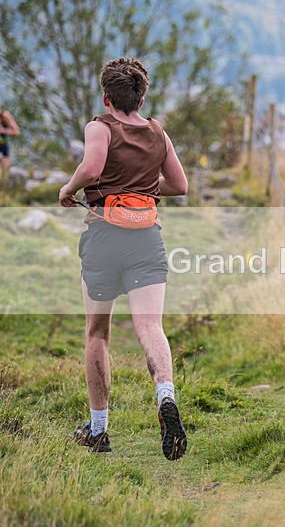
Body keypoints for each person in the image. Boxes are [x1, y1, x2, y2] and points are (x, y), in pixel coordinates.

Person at [58, 57, 189, 459]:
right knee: (150, 326)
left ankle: (98, 431)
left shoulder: (99, 127)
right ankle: (165, 396)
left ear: (106, 97)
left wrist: (68, 188)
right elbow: (180, 185)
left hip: (104, 236)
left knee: (98, 332)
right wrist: (143, 190)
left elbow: (92, 167)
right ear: (141, 98)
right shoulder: (157, 132)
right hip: (146, 238)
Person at [0, 101, 21, 186]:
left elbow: (16, 132)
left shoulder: (5, 116)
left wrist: (4, 131)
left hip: (3, 147)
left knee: (4, 173)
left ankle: (4, 189)